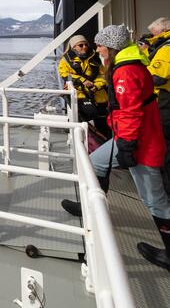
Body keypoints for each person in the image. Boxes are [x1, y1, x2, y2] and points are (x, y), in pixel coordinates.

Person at [60, 24, 169, 270]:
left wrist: (128, 146)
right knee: (95, 162)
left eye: (99, 45)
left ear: (111, 47)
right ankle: (93, 207)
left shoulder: (126, 72)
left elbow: (130, 112)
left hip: (141, 144)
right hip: (128, 137)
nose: (96, 48)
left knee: (155, 200)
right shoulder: (128, 66)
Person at [58, 35, 110, 137]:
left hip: (98, 93)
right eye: (80, 45)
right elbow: (65, 74)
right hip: (80, 94)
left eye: (86, 44)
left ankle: (104, 140)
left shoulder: (94, 58)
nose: (84, 47)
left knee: (104, 121)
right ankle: (82, 140)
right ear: (73, 47)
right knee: (86, 117)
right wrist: (83, 80)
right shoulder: (66, 60)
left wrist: (96, 85)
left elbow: (103, 75)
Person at [146, 17, 170, 196]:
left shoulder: (166, 48)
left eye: (154, 33)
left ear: (161, 31)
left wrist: (139, 76)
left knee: (165, 145)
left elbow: (158, 77)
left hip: (165, 102)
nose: (152, 37)